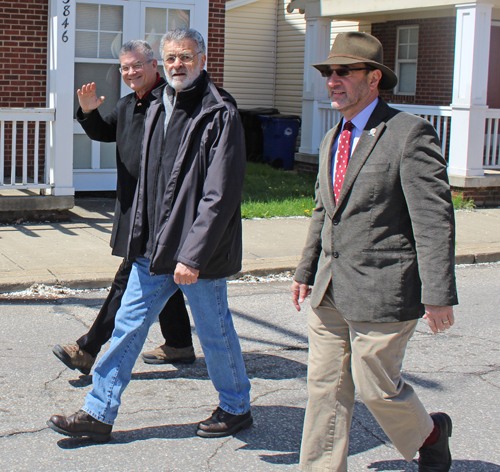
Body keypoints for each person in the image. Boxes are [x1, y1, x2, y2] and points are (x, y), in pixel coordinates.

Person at [47, 28, 252, 442]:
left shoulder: (219, 112)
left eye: (186, 57)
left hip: (199, 253)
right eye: (173, 58)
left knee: (215, 332)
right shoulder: (158, 106)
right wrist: (139, 237)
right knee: (127, 328)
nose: (179, 65)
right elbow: (148, 182)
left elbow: (220, 194)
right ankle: (97, 413)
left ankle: (236, 407)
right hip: (155, 247)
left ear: (203, 58)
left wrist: (192, 256)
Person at [291, 32, 458, 472]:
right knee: (324, 389)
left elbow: (433, 219)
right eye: (328, 72)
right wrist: (305, 269)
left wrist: (438, 292)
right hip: (330, 288)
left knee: (375, 389)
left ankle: (432, 434)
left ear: (374, 78)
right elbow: (323, 211)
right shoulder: (332, 139)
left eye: (343, 71)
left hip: (384, 288)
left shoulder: (409, 134)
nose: (332, 80)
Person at [51, 40, 195, 376]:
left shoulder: (172, 103)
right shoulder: (129, 104)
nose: (131, 72)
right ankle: (179, 344)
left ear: (154, 65)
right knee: (161, 275)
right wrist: (88, 111)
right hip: (134, 206)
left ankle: (88, 349)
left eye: (137, 65)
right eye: (125, 67)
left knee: (130, 277)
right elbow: (104, 132)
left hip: (161, 211)